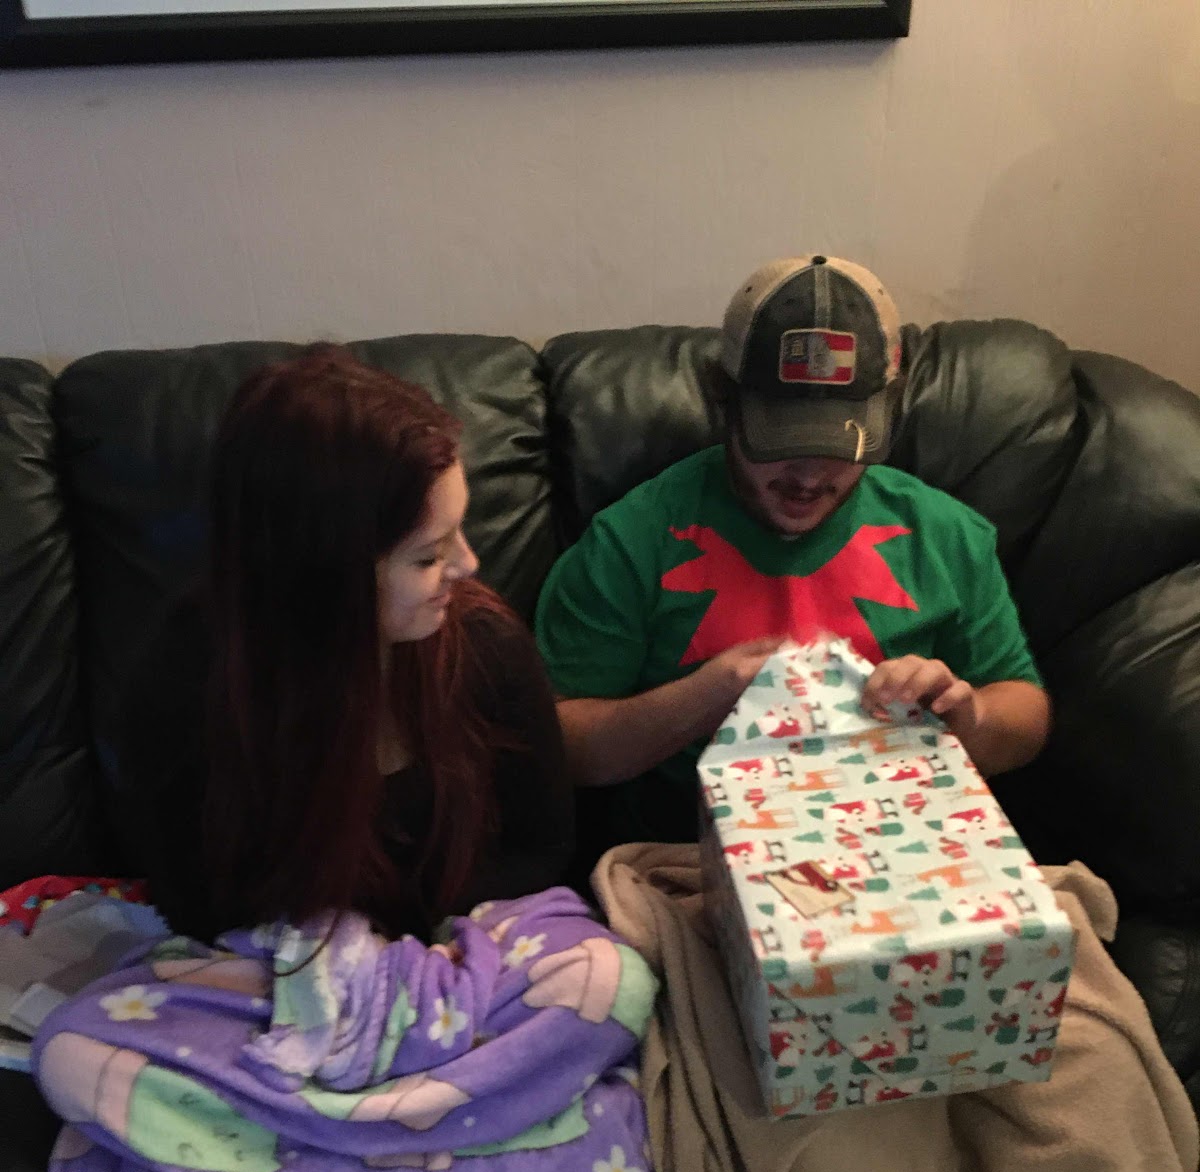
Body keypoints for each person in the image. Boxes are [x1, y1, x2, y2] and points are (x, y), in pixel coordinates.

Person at [534, 255, 1051, 852]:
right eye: (781, 440)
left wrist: (968, 717)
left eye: (839, 443)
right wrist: (702, 699)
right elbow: (557, 748)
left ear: (886, 410)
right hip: (695, 858)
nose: (808, 476)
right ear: (725, 404)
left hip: (902, 849)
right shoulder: (632, 540)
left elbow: (1026, 714)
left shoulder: (945, 533)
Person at [117, 346, 572, 942]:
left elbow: (541, 850)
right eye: (428, 556)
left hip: (464, 949)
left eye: (460, 530)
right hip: (277, 964)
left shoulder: (485, 646)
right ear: (325, 575)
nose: (467, 564)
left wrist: (419, 951)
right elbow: (197, 904)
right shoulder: (182, 685)